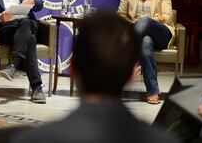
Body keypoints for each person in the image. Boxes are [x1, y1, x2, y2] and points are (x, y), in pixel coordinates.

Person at [11, 11, 180, 143]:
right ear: (132, 73)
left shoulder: (32, 140)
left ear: (73, 69)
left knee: (147, 42)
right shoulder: (164, 140)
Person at [117, 0, 175, 104]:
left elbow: (168, 17)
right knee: (145, 42)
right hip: (140, 33)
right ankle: (153, 91)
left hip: (161, 33)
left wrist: (150, 20)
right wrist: (131, 22)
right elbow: (120, 14)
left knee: (145, 21)